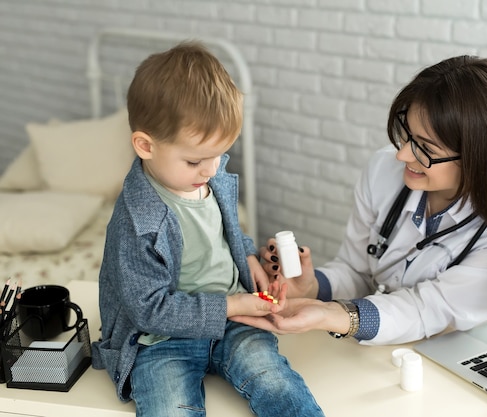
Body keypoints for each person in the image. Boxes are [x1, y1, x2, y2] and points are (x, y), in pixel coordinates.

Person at [232, 55, 487, 346]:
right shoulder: (384, 170)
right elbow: (357, 270)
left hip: (466, 351)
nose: (403, 154)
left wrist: (335, 315)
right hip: (389, 342)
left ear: (479, 157)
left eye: (426, 147)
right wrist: (311, 285)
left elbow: (432, 308)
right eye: (406, 134)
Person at [91, 42, 324, 417]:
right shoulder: (137, 222)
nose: (212, 169)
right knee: (170, 408)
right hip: (163, 339)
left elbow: (223, 234)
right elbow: (149, 310)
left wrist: (249, 257)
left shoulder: (210, 179)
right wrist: (233, 304)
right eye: (196, 160)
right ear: (145, 146)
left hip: (236, 323)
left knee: (277, 383)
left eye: (219, 154)